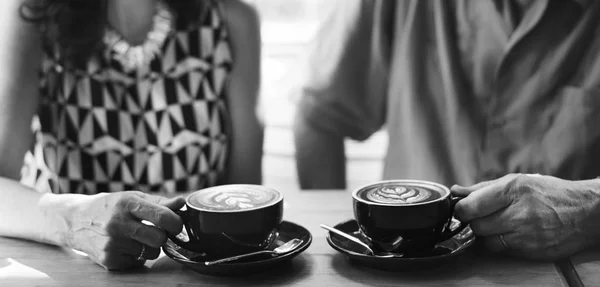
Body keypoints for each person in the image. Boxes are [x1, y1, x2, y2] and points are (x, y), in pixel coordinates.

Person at [294, 0, 600, 260]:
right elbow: (319, 119)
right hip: (406, 269)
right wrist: (353, 249)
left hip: (568, 266)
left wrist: (591, 209)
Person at [0, 0, 263, 270]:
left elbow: (247, 210)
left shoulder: (231, 21)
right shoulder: (33, 17)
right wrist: (74, 221)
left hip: (191, 276)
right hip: (70, 273)